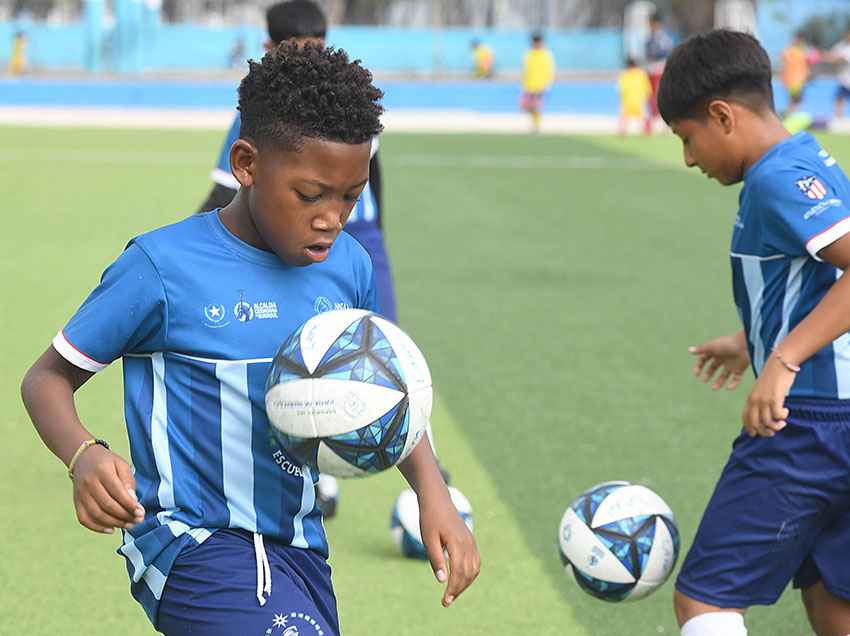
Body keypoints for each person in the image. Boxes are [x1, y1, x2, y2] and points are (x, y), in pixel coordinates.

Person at [20, 43, 479, 636]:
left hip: (301, 548)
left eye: (350, 196)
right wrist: (83, 455)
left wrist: (432, 492)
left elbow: (388, 390)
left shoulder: (350, 268)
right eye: (311, 195)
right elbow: (46, 378)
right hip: (189, 546)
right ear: (246, 164)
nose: (331, 218)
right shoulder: (161, 267)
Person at [658, 29, 850, 636]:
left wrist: (784, 358)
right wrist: (754, 342)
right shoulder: (805, 157)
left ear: (722, 115)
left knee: (705, 601)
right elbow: (817, 279)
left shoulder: (773, 180)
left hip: (811, 426)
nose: (689, 159)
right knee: (831, 601)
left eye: (689, 139)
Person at [198, 1, 404, 517]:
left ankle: (420, 460)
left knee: (384, 355)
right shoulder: (263, 116)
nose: (311, 62)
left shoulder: (347, 105)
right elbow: (228, 193)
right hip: (292, 247)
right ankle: (319, 471)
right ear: (269, 50)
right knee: (304, 355)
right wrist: (196, 244)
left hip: (359, 243)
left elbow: (373, 173)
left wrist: (375, 231)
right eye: (298, 52)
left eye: (319, 48)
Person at [644, 11, 674, 134]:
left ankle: (664, 124)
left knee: (659, 96)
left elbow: (665, 52)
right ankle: (650, 124)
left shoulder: (662, 37)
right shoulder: (649, 37)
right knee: (650, 96)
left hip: (659, 69)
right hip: (651, 69)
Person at [520, 32, 555, 133]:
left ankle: (536, 126)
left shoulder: (546, 55)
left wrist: (548, 84)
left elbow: (550, 70)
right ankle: (535, 124)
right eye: (535, 42)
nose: (537, 44)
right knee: (525, 106)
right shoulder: (529, 54)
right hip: (529, 85)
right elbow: (526, 70)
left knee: (536, 107)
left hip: (540, 85)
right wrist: (524, 83)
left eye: (538, 42)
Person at [617, 56, 652, 136]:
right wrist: (646, 98)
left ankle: (622, 132)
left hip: (628, 101)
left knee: (624, 118)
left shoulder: (625, 75)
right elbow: (647, 89)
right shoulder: (641, 74)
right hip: (639, 101)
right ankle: (646, 132)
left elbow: (621, 90)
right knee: (644, 117)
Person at [780, 32, 812, 116]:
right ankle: (791, 114)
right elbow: (784, 58)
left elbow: (809, 61)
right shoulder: (790, 50)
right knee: (794, 98)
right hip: (792, 79)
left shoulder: (804, 50)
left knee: (797, 98)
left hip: (801, 79)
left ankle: (792, 114)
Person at [823, 30, 850, 120]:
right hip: (843, 80)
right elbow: (831, 56)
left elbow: (842, 59)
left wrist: (837, 58)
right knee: (839, 99)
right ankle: (839, 118)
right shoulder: (841, 45)